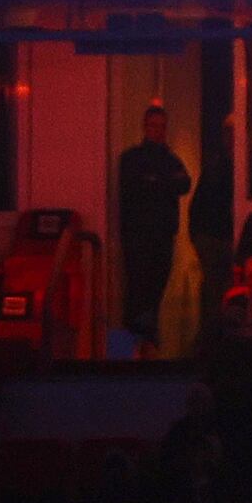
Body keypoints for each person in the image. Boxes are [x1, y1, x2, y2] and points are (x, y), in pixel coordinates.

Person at [110, 104, 191, 341]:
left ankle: (145, 345)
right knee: (137, 292)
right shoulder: (132, 158)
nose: (158, 131)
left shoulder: (169, 159)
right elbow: (137, 188)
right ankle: (129, 348)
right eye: (154, 126)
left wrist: (155, 182)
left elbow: (184, 184)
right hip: (138, 236)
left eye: (162, 127)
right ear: (145, 127)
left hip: (163, 235)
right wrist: (163, 183)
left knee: (155, 292)